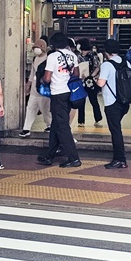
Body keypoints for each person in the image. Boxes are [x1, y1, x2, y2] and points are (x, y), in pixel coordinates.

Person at [37, 32, 81, 168]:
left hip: (58, 93)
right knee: (57, 123)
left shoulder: (53, 57)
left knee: (62, 127)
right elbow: (77, 74)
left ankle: (74, 158)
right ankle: (50, 155)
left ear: (53, 44)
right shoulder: (72, 55)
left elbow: (47, 78)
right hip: (69, 93)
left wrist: (42, 80)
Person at [96, 38, 131, 168]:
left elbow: (101, 83)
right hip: (125, 101)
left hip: (112, 103)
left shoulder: (107, 65)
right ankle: (119, 158)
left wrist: (95, 80)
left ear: (107, 51)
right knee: (116, 128)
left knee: (115, 130)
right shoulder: (126, 63)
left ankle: (120, 159)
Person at [19, 38, 51, 137]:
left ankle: (50, 124)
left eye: (37, 47)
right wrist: (28, 84)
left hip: (44, 88)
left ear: (43, 48)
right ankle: (26, 128)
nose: (36, 49)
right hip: (34, 88)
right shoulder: (35, 59)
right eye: (35, 48)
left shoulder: (49, 58)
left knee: (45, 107)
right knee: (31, 107)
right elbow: (33, 73)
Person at [76, 37, 103, 127]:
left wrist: (90, 76)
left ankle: (97, 118)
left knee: (93, 100)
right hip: (84, 80)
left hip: (90, 81)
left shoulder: (93, 55)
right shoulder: (79, 56)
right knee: (83, 101)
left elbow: (97, 66)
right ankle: (81, 120)